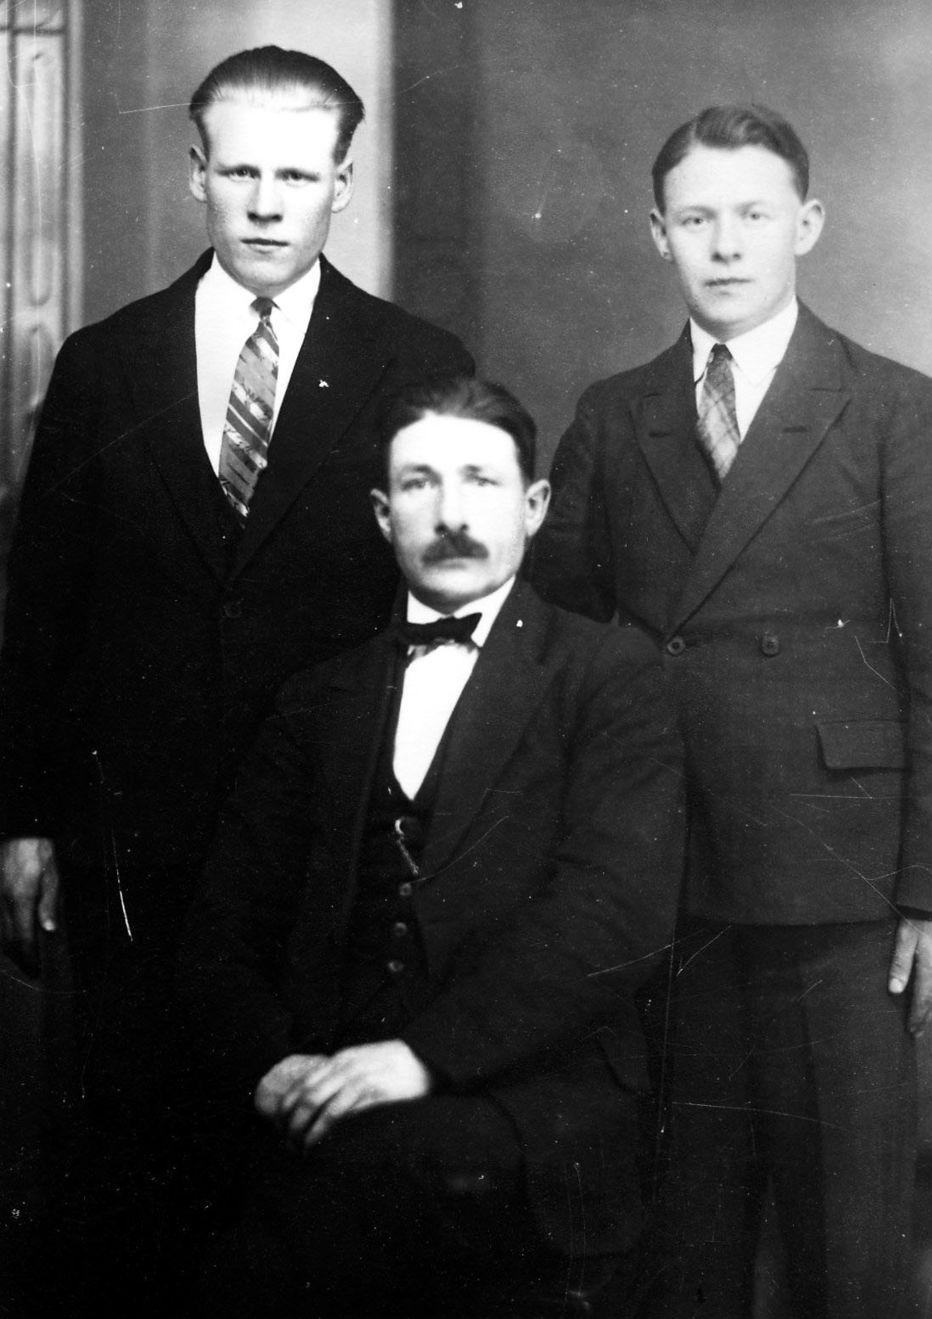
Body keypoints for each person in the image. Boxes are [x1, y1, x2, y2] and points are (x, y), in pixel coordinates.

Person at [530, 104, 932, 1318]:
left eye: (753, 214)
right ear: (657, 234)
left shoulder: (894, 409)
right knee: (681, 1244)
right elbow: (560, 648)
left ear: (806, 224)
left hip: (841, 891)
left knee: (845, 1250)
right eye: (696, 218)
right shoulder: (613, 415)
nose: (726, 243)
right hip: (667, 880)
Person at [0, 45, 471, 1311]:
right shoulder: (108, 361)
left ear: (343, 184)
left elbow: (441, 595)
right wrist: (26, 817)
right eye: (241, 172)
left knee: (303, 1181)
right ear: (194, 173)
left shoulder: (412, 362)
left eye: (299, 177)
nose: (267, 204)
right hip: (134, 838)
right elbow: (43, 604)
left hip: (329, 833)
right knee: (127, 1173)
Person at [177, 375, 686, 1317]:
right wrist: (273, 1064)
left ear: (535, 505)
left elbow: (613, 914)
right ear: (383, 514)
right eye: (420, 484)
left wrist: (423, 1057)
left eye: (481, 481)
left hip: (530, 1105)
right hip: (332, 1091)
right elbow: (223, 927)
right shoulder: (317, 696)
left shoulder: (609, 676)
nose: (451, 514)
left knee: (353, 1200)